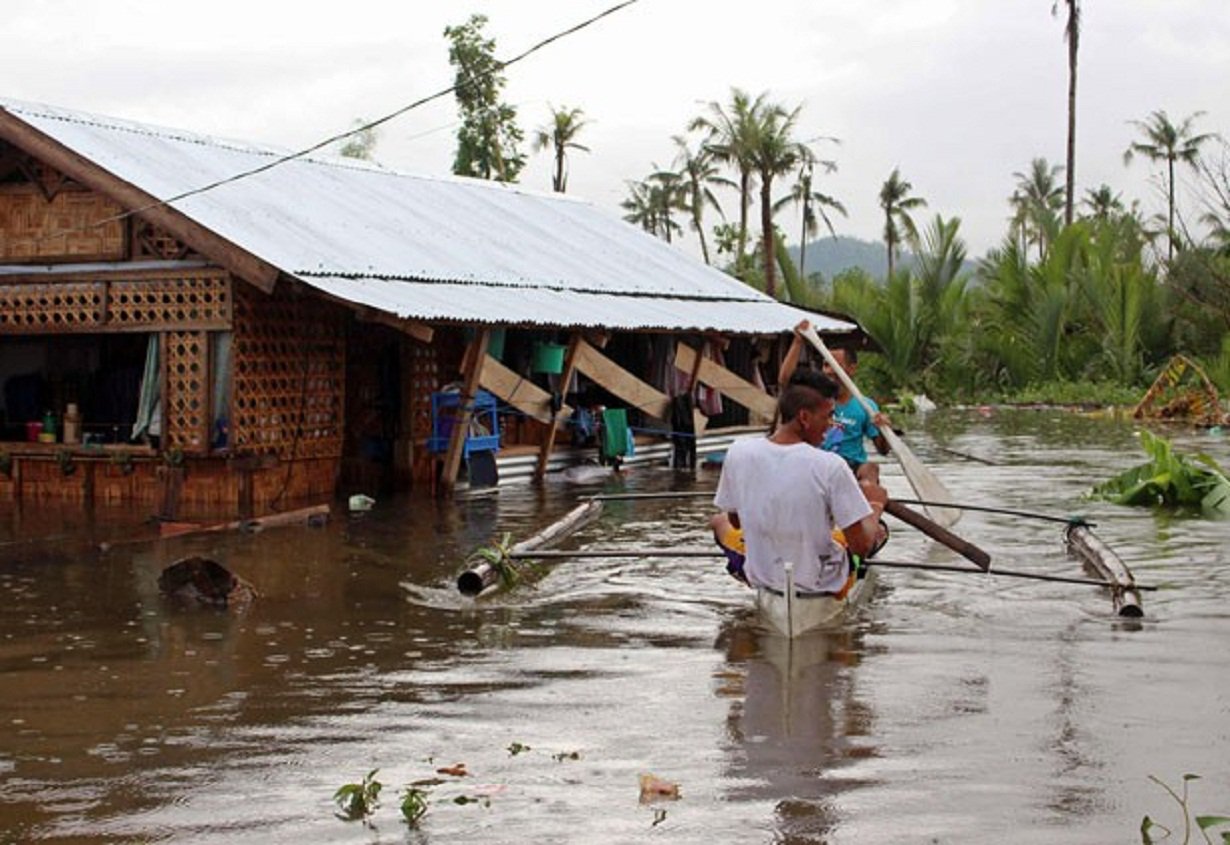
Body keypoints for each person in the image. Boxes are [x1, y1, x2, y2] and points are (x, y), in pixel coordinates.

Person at [712, 368, 888, 596]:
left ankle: (754, 579)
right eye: (828, 416)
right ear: (804, 417)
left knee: (718, 521)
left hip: (763, 576)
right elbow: (861, 547)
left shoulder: (738, 451)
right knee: (878, 531)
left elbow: (735, 521)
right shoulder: (832, 466)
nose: (832, 424)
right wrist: (875, 505)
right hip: (820, 584)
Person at [777, 319, 891, 484]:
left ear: (852, 369)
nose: (829, 371)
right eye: (826, 365)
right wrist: (798, 341)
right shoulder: (814, 398)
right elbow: (785, 380)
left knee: (871, 468)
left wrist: (884, 429)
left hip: (850, 467)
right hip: (816, 463)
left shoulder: (865, 406)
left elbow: (883, 450)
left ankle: (868, 500)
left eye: (835, 366)